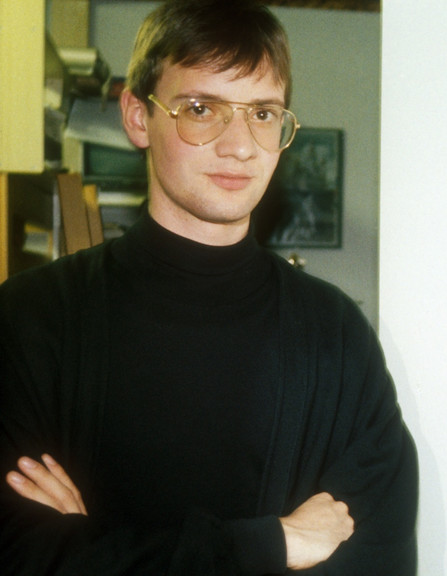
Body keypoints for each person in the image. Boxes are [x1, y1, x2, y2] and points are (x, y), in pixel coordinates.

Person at [0, 1, 418, 574]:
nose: (241, 145)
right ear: (138, 116)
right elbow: (17, 557)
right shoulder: (28, 320)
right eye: (202, 108)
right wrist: (273, 545)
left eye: (264, 114)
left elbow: (377, 560)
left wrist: (98, 549)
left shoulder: (337, 336)